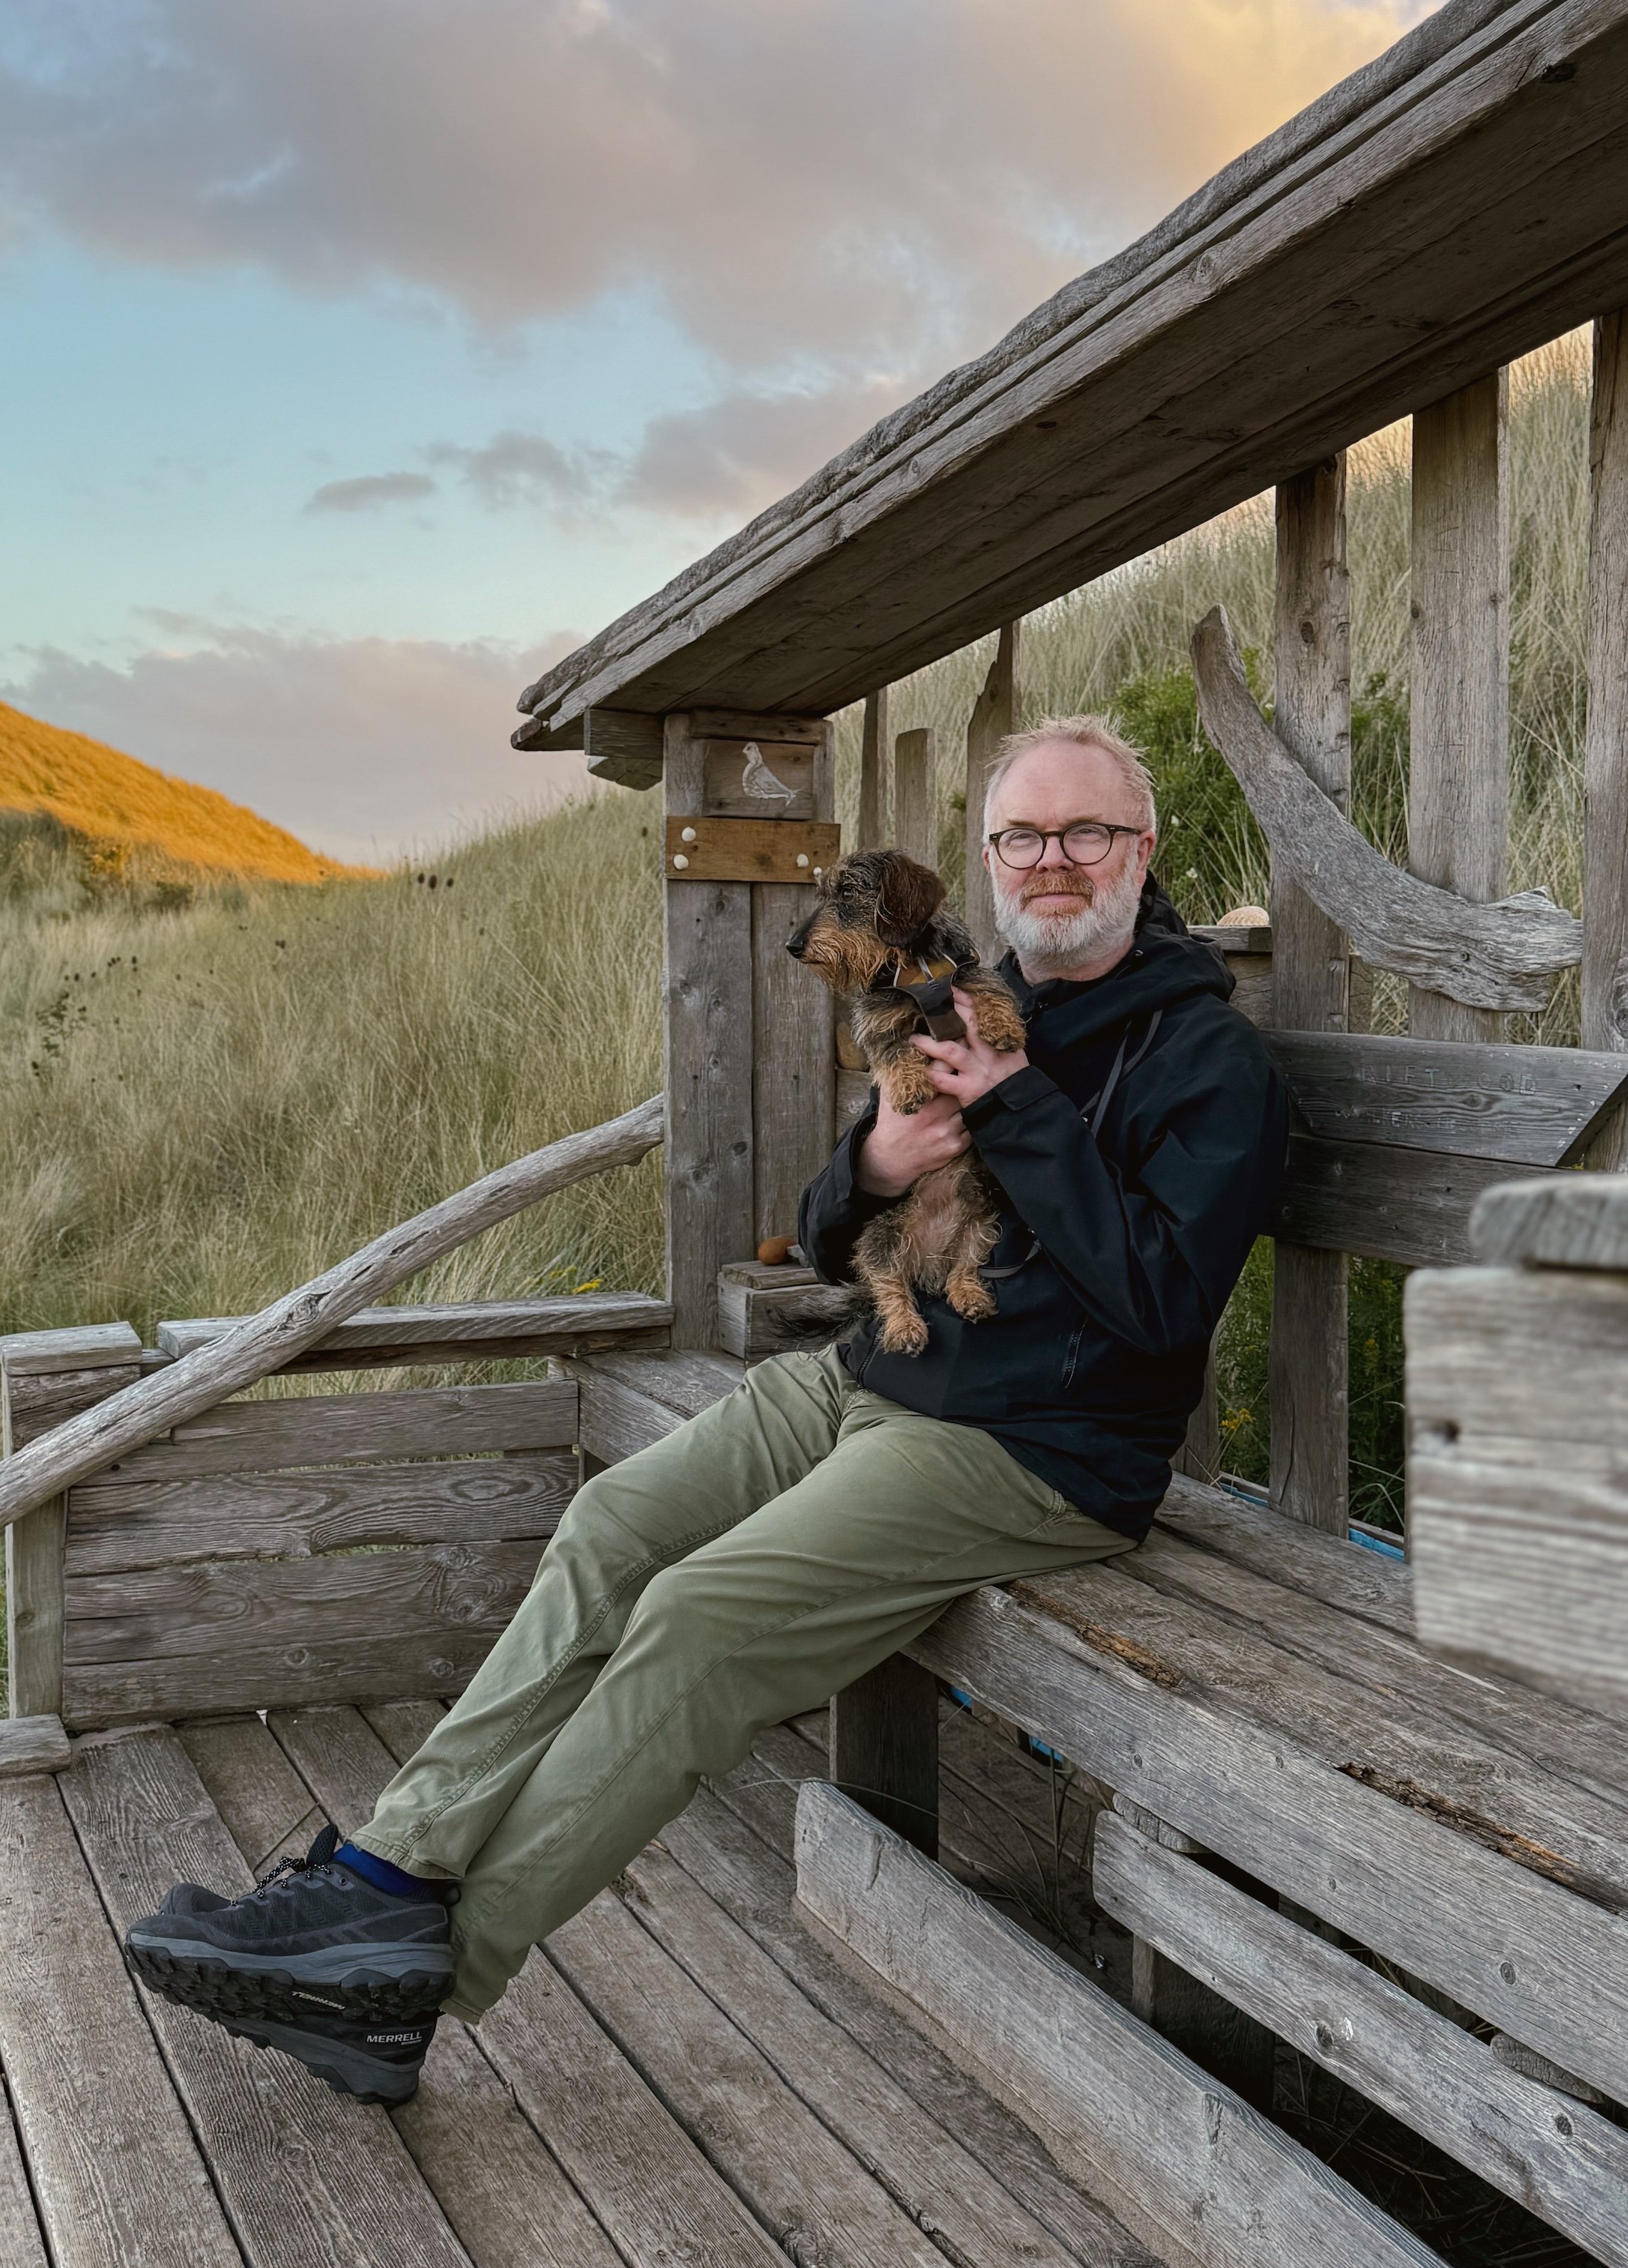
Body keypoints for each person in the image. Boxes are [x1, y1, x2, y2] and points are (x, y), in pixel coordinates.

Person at [124, 714, 1290, 2102]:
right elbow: (816, 1224)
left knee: (698, 1617)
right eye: (1020, 836)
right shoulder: (978, 1012)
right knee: (616, 1520)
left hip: (1032, 1450)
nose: (1050, 861)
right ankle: (379, 1872)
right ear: (987, 858)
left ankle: (412, 1977)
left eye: (1083, 832)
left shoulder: (1207, 1062)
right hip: (869, 1376)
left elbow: (1159, 1307)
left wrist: (1028, 1115)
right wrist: (869, 1159)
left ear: (1139, 852)